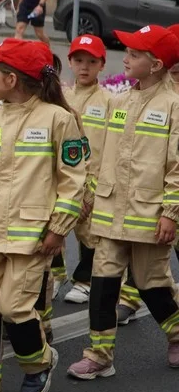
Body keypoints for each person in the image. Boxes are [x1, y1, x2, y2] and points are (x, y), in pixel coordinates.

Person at [0, 39, 85, 392]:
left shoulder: (58, 119)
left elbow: (72, 179)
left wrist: (59, 228)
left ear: (11, 79)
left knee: (15, 308)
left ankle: (38, 363)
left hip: (33, 236)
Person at [68, 25, 179, 379]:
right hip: (111, 208)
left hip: (149, 213)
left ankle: (177, 333)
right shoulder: (120, 101)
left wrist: (171, 213)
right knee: (103, 281)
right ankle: (99, 355)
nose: (126, 58)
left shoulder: (173, 106)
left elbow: (176, 166)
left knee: (151, 284)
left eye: (134, 53)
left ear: (157, 64)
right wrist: (88, 191)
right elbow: (101, 154)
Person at [60, 34, 111, 304]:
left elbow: (108, 147)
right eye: (78, 60)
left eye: (92, 61)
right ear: (69, 61)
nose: (84, 67)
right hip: (63, 176)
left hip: (92, 178)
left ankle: (85, 280)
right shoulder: (62, 97)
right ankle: (57, 274)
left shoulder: (108, 102)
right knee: (53, 224)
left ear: (102, 65)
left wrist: (93, 187)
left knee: (89, 231)